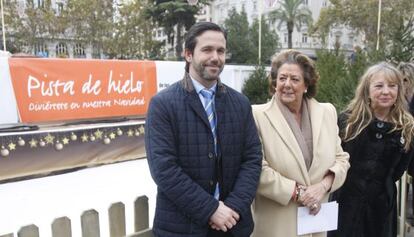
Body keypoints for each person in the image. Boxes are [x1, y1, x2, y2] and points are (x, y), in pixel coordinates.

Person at [145, 22, 262, 237]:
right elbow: (164, 169)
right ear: (188, 54)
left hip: (232, 226)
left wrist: (233, 208)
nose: (215, 57)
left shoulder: (241, 103)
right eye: (207, 50)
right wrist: (211, 209)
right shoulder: (163, 105)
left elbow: (252, 159)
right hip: (182, 228)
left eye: (221, 50)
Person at [251, 49, 350, 237]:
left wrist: (322, 187)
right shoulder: (256, 115)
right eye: (282, 78)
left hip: (316, 223)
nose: (287, 84)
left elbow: (341, 159)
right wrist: (300, 193)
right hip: (278, 226)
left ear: (307, 84)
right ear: (274, 83)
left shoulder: (327, 112)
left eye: (295, 79)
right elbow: (256, 168)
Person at [329, 62, 414, 237]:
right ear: (367, 90)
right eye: (379, 86)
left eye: (392, 86)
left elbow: (399, 170)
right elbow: (334, 158)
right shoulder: (349, 121)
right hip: (345, 201)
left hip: (381, 207)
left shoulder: (407, 126)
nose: (386, 91)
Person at [397, 62, 414, 221]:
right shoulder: (396, 99)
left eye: (406, 80)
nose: (403, 84)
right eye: (400, 80)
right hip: (401, 149)